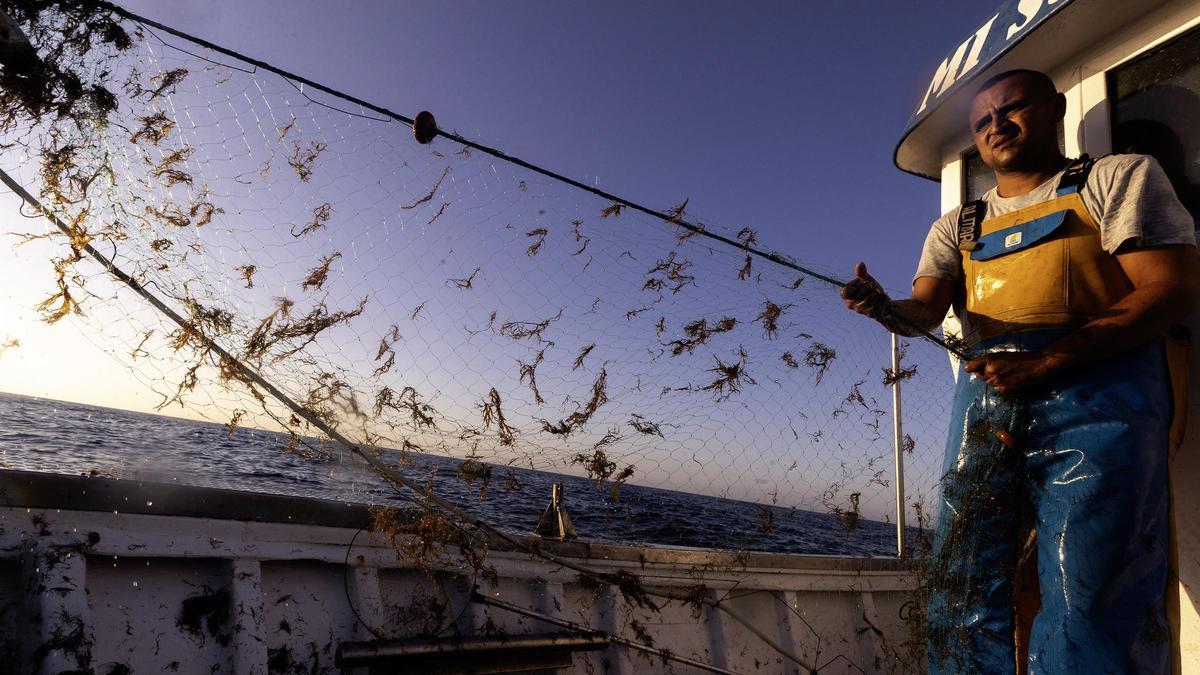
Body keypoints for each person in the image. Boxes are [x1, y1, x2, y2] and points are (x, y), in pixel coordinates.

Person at [842, 69, 1198, 673]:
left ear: (1055, 109)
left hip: (1101, 403)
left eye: (1013, 109)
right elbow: (924, 309)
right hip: (987, 408)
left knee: (1090, 587)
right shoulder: (958, 225)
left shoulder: (1117, 178)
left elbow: (1170, 288)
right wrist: (884, 308)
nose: (996, 126)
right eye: (982, 121)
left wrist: (1056, 358)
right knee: (960, 578)